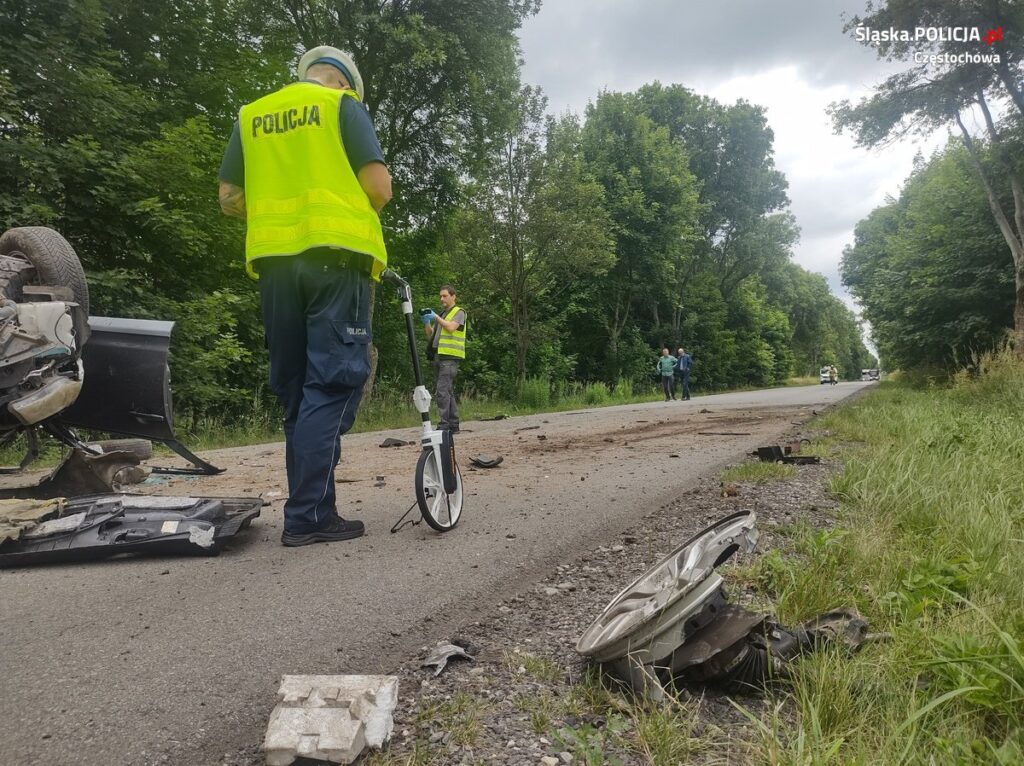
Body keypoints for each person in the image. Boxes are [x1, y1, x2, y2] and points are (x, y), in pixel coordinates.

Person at [217, 46, 392, 547]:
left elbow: (229, 198)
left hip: (275, 266)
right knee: (333, 384)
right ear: (344, 83)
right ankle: (309, 515)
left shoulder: (252, 115)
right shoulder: (341, 108)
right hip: (335, 262)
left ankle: (314, 508)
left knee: (297, 390)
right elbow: (378, 189)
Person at [423, 285, 467, 432]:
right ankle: (453, 425)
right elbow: (431, 334)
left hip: (450, 357)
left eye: (445, 296)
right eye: (440, 296)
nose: (442, 299)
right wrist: (426, 321)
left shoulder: (459, 312)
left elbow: (451, 328)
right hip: (438, 356)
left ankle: (444, 425)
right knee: (447, 391)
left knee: (442, 391)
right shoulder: (442, 314)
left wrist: (435, 316)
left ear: (453, 296)